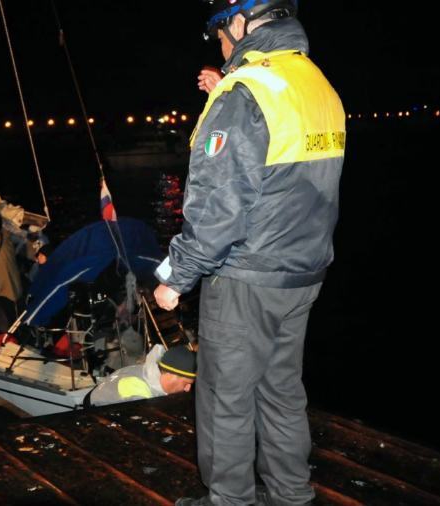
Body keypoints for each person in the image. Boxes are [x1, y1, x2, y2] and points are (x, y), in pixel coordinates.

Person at [153, 2, 345, 505]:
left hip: (247, 276)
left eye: (220, 35)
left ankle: (230, 502)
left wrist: (177, 277)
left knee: (225, 399)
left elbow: (220, 204)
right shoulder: (315, 83)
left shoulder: (247, 95)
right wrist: (228, 92)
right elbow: (284, 165)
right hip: (303, 273)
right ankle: (290, 496)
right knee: (281, 391)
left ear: (240, 24)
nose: (221, 46)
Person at [86, 344, 197, 407]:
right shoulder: (137, 389)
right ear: (169, 374)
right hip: (93, 411)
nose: (188, 389)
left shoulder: (149, 373)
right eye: (187, 383)